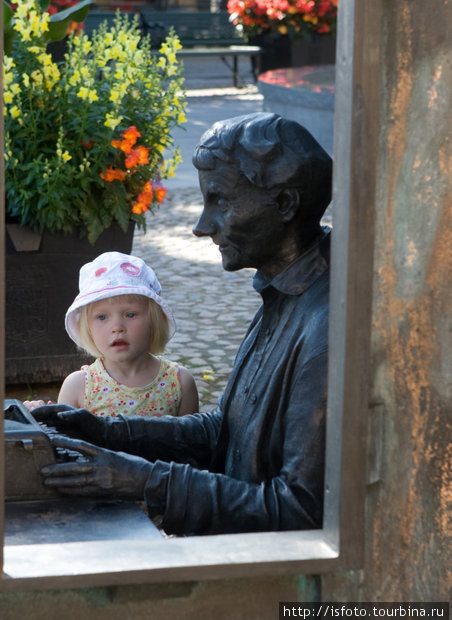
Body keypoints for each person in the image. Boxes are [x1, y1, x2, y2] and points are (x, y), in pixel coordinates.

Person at [32, 112, 333, 536]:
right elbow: (226, 433)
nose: (201, 226)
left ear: (284, 204)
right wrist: (105, 431)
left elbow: (298, 509)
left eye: (220, 201)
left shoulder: (325, 327)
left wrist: (142, 481)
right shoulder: (281, 293)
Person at [25, 251, 199, 417]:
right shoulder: (79, 386)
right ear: (88, 328)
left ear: (154, 321)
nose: (117, 327)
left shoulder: (180, 382)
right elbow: (65, 443)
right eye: (102, 317)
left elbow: (191, 443)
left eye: (130, 314)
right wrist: (44, 419)